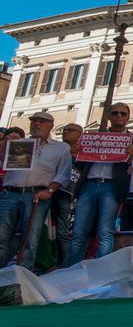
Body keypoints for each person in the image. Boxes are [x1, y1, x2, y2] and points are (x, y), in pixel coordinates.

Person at [68, 103, 133, 265]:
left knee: (105, 231)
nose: (119, 116)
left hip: (112, 187)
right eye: (115, 113)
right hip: (89, 184)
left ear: (127, 118)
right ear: (109, 116)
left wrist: (132, 158)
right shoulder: (93, 137)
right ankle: (72, 269)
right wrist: (76, 155)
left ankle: (101, 270)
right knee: (78, 231)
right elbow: (81, 166)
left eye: (123, 114)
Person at [0, 112, 73, 269]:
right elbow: (3, 162)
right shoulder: (21, 143)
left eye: (42, 121)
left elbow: (63, 174)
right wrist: (7, 145)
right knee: (1, 235)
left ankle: (23, 273)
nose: (37, 124)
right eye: (34, 121)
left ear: (51, 126)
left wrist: (50, 191)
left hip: (36, 195)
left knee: (30, 238)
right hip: (10, 193)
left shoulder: (60, 148)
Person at [50, 123, 83, 267]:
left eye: (71, 130)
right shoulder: (56, 148)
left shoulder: (84, 152)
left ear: (80, 134)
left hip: (67, 194)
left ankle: (64, 263)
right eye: (65, 130)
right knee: (45, 228)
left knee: (62, 230)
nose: (66, 132)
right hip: (48, 190)